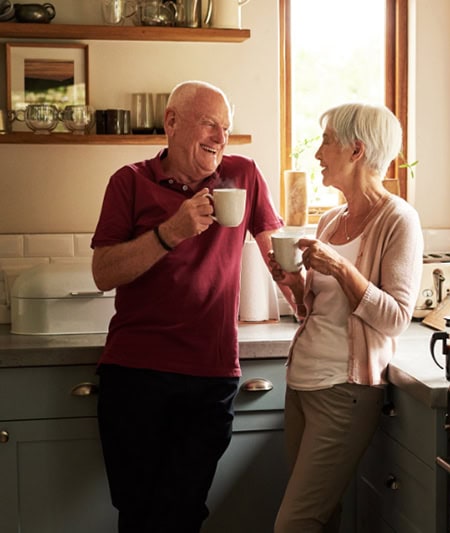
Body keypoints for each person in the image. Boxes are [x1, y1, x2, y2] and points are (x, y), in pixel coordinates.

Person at [90, 80, 284, 533]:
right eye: (209, 124)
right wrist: (170, 232)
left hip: (209, 375)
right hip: (135, 373)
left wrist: (305, 293)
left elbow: (276, 258)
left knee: (183, 513)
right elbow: (103, 273)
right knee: (138, 514)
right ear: (171, 122)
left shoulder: (244, 175)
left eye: (227, 128)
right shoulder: (129, 182)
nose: (220, 137)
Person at [270, 102, 424, 532]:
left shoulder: (399, 220)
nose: (318, 153)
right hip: (302, 383)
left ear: (356, 151)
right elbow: (312, 311)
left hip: (344, 391)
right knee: (322, 517)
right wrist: (292, 283)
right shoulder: (330, 221)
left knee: (295, 524)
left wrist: (339, 267)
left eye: (326, 142)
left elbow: (396, 317)